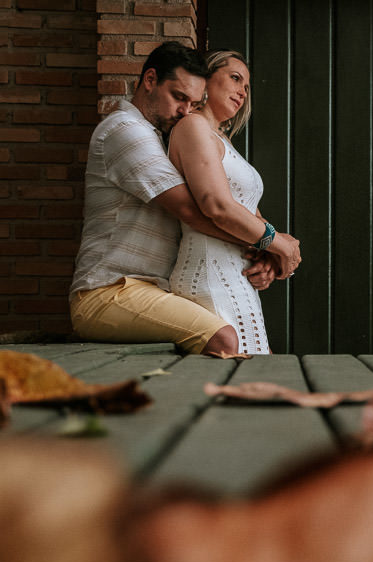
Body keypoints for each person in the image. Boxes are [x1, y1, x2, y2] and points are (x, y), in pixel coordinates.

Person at [69, 42, 301, 355]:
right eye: (179, 97)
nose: (185, 111)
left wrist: (264, 248)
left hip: (154, 289)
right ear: (150, 80)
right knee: (224, 339)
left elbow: (228, 204)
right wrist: (270, 243)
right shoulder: (125, 130)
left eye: (193, 102)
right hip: (109, 292)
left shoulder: (158, 135)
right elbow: (194, 212)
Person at [167, 50, 274, 354]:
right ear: (206, 79)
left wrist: (267, 258)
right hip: (209, 276)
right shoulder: (193, 127)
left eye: (247, 87)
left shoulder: (221, 140)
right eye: (235, 78)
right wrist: (278, 245)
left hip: (236, 277)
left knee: (250, 379)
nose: (242, 91)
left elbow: (249, 212)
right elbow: (216, 205)